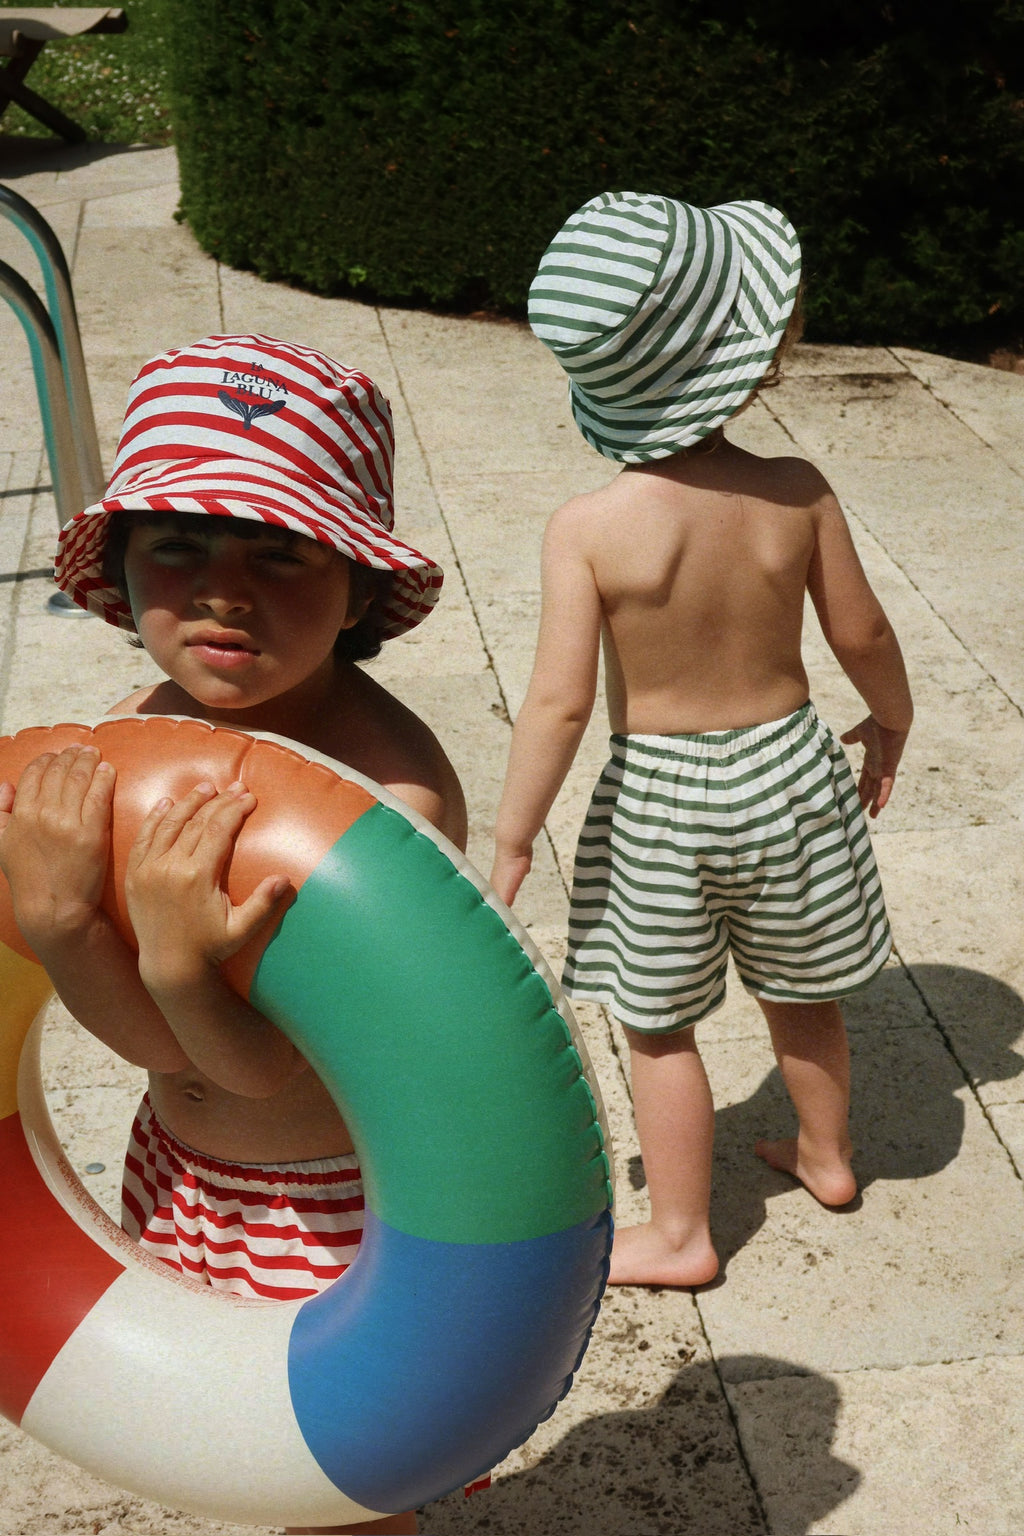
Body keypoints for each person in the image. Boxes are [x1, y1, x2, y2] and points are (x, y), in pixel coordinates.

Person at [0, 334, 469, 1535]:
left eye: (279, 552)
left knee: (343, 1490)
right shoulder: (134, 736)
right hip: (189, 1175)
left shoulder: (386, 815)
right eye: (178, 545)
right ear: (122, 567)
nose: (222, 590)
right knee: (246, 1454)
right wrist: (66, 916)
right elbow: (167, 1056)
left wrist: (143, 947)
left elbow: (260, 1063)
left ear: (360, 590)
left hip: (331, 1210)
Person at [490, 192, 914, 1289]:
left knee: (658, 1023)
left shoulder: (588, 529)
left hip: (661, 804)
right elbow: (860, 630)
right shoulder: (794, 495)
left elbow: (558, 705)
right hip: (789, 774)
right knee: (800, 987)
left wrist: (513, 835)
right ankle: (826, 1155)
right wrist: (893, 718)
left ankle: (680, 1234)